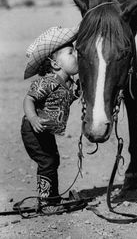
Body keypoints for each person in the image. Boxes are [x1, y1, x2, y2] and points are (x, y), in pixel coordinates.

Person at [21, 26, 80, 212]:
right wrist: (33, 118)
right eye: (71, 53)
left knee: (52, 160)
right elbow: (29, 99)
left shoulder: (69, 84)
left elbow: (78, 93)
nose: (76, 55)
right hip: (33, 128)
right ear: (56, 64)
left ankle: (51, 198)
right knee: (47, 162)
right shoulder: (49, 82)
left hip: (45, 131)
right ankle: (46, 202)